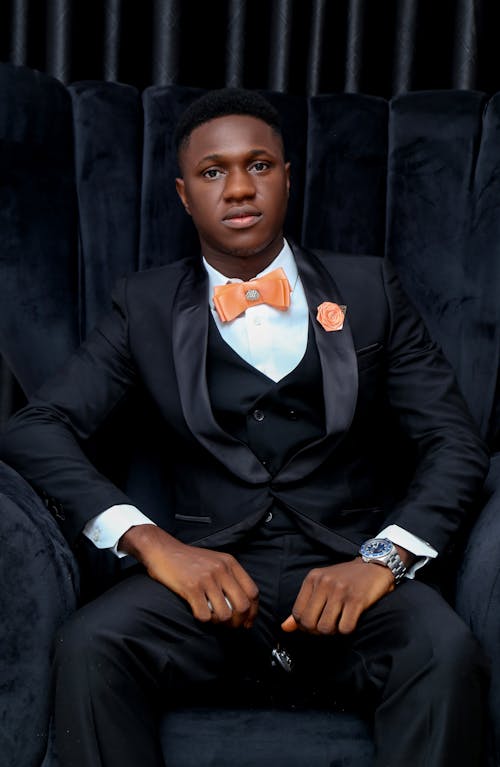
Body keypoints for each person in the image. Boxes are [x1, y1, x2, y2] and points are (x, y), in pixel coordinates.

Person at [0, 87, 491, 767]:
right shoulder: (143, 306)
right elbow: (37, 426)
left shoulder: (372, 291)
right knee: (93, 645)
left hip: (349, 572)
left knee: (445, 650)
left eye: (259, 165)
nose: (238, 187)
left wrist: (383, 559)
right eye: (212, 172)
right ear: (183, 194)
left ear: (287, 177)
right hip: (209, 588)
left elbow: (455, 440)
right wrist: (149, 541)